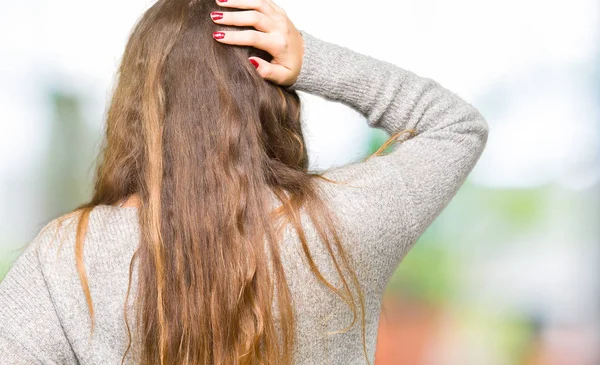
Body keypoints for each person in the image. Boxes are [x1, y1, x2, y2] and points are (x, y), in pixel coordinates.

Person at [0, 0, 489, 364]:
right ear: (275, 96)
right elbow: (455, 126)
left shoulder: (69, 253)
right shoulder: (341, 224)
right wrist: (312, 58)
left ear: (138, 105)